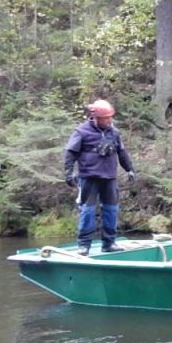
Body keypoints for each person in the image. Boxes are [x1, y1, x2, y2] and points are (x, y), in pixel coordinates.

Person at [63, 100, 136, 256]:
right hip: (89, 177)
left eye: (110, 117)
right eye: (106, 118)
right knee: (87, 210)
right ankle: (84, 246)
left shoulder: (114, 133)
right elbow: (70, 153)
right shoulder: (81, 132)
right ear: (96, 118)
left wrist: (130, 169)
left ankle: (109, 243)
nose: (109, 120)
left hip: (109, 178)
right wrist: (68, 173)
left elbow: (122, 152)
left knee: (111, 210)